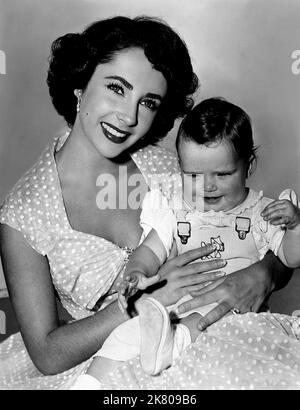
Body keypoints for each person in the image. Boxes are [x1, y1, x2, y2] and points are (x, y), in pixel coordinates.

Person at [0, 17, 294, 390]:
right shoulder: (24, 212)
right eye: (116, 88)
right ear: (79, 87)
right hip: (106, 365)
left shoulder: (167, 168)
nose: (129, 116)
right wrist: (143, 300)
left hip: (211, 334)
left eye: (148, 102)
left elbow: (257, 232)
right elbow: (46, 353)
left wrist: (262, 274)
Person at [70, 97, 300, 388]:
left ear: (248, 166)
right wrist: (137, 272)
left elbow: (291, 258)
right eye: (193, 175)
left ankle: (174, 343)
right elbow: (152, 248)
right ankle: (87, 384)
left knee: (211, 327)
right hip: (170, 311)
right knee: (123, 334)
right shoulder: (175, 208)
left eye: (223, 174)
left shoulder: (261, 212)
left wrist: (294, 227)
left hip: (229, 313)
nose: (207, 186)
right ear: (180, 168)